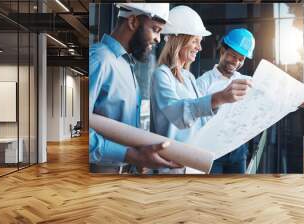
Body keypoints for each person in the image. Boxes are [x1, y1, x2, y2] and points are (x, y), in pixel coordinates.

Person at [150, 6, 252, 174]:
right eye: (195, 41)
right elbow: (176, 113)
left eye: (200, 42)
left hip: (193, 162)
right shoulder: (162, 75)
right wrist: (218, 98)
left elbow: (200, 123)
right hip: (172, 165)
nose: (200, 47)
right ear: (179, 40)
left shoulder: (188, 78)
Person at [89, 3, 180, 172]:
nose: (158, 39)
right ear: (132, 22)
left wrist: (138, 156)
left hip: (125, 170)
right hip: (102, 174)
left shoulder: (125, 64)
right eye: (155, 29)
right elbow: (79, 128)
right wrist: (130, 155)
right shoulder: (100, 60)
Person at [196, 28, 255, 174]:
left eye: (241, 59)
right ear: (222, 50)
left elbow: (271, 94)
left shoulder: (246, 81)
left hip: (238, 151)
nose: (236, 62)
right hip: (210, 151)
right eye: (233, 56)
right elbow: (193, 115)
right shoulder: (203, 83)